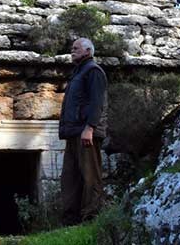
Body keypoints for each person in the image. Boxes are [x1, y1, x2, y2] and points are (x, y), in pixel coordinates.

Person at [58, 37, 108, 225]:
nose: (72, 50)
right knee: (70, 179)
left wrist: (90, 128)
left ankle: (91, 219)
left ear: (88, 51)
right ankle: (70, 221)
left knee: (90, 177)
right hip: (73, 133)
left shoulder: (93, 71)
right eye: (72, 48)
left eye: (76, 48)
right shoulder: (78, 73)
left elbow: (97, 103)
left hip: (86, 133)